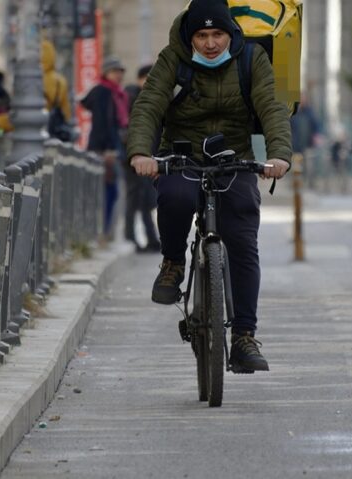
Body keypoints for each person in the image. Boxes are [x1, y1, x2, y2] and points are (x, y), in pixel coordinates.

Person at [126, 0, 292, 373]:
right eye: (202, 35)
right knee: (175, 197)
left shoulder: (252, 59)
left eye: (217, 34)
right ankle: (172, 263)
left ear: (230, 33)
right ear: (190, 36)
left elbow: (271, 107)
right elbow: (149, 105)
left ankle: (244, 337)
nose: (211, 43)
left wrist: (279, 155)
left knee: (243, 237)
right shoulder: (173, 58)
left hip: (234, 158)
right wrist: (141, 152)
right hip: (181, 155)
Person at [81, 56, 129, 240]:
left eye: (120, 72)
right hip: (104, 149)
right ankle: (102, 230)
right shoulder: (104, 92)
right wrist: (107, 150)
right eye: (115, 72)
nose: (119, 75)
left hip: (109, 147)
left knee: (109, 190)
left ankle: (104, 230)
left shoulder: (116, 93)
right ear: (106, 73)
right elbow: (103, 122)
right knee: (108, 191)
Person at [124, 64, 161, 253]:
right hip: (134, 158)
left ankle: (151, 238)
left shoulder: (155, 98)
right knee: (135, 199)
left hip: (149, 157)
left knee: (146, 200)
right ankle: (130, 236)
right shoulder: (132, 97)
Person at [41, 39, 73, 142]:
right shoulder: (60, 81)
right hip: (53, 129)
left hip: (31, 131)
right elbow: (66, 112)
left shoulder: (28, 78)